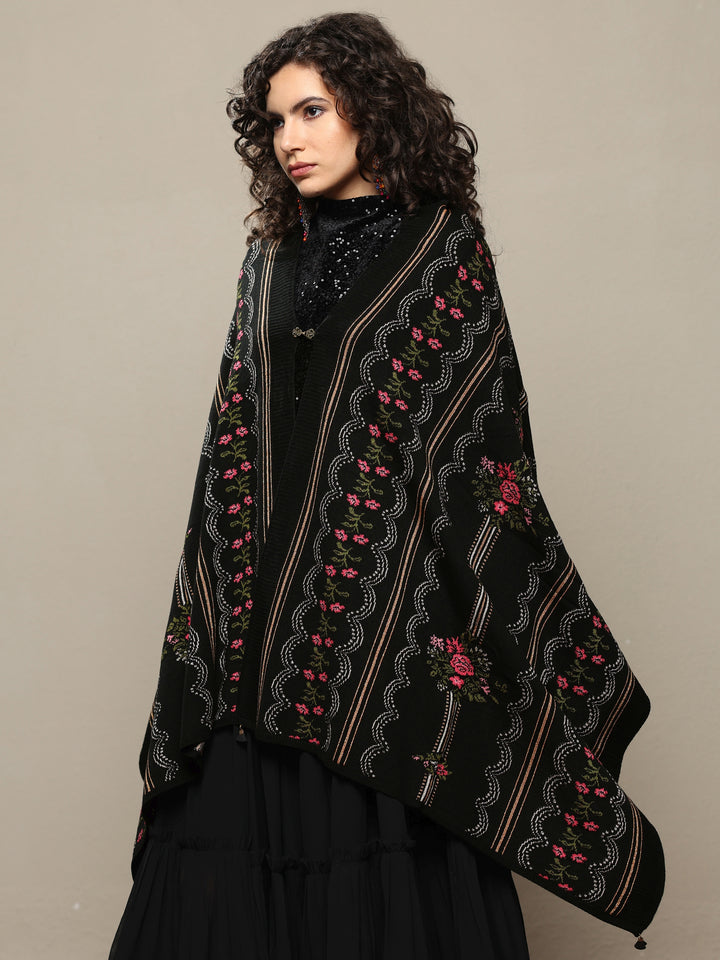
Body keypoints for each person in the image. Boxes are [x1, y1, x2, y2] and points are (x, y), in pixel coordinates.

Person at [109, 12, 664, 959]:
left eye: (312, 111)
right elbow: (234, 450)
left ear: (371, 109)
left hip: (383, 621)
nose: (290, 139)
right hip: (254, 631)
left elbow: (482, 454)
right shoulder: (269, 260)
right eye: (275, 120)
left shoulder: (442, 252)